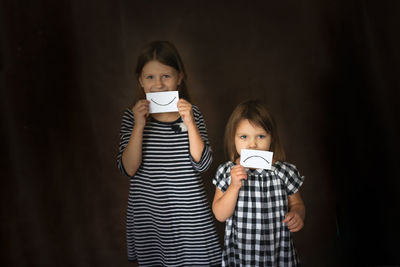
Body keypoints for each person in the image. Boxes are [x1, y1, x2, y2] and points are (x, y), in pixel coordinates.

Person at [117, 41, 221, 266]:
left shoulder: (193, 115)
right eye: (150, 77)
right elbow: (129, 168)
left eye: (166, 76)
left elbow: (203, 165)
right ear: (140, 80)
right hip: (151, 215)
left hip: (189, 214)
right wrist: (138, 126)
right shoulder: (131, 118)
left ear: (179, 77)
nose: (158, 84)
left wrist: (190, 122)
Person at [212, 99, 305, 266]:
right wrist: (233, 186)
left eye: (261, 136)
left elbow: (297, 204)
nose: (253, 144)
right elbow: (220, 215)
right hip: (242, 254)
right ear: (234, 139)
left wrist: (298, 214)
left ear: (271, 138)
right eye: (244, 137)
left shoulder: (284, 171)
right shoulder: (227, 172)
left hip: (278, 252)